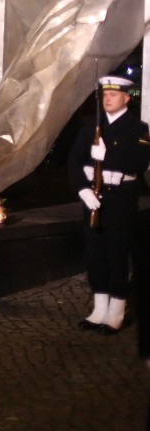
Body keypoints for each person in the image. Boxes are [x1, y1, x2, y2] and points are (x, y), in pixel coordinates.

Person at [68, 75, 150, 335]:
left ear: (126, 98)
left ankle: (116, 312)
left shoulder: (138, 128)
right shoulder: (92, 124)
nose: (108, 99)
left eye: (114, 95)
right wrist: (83, 190)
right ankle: (99, 308)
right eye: (105, 95)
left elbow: (139, 163)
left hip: (121, 199)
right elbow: (74, 161)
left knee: (116, 254)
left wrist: (108, 156)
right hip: (92, 198)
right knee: (95, 254)